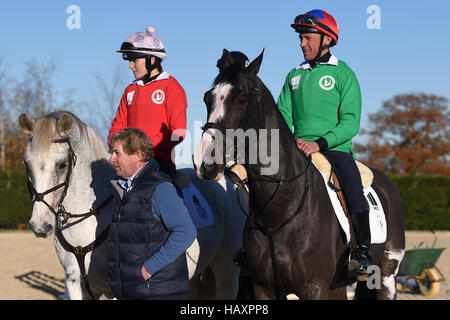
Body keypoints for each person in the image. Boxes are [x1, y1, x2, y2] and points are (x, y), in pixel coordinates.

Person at [277, 9, 371, 276]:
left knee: (353, 188)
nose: (302, 43)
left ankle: (362, 251)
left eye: (307, 37)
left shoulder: (344, 74)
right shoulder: (293, 75)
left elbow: (350, 122)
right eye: (300, 38)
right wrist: (290, 139)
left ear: (327, 39)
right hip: (295, 149)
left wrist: (319, 143)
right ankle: (251, 248)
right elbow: (283, 111)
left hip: (335, 151)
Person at [106, 128, 197, 300]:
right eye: (112, 153)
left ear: (138, 156)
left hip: (157, 292)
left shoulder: (160, 188)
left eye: (117, 153)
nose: (111, 159)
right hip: (133, 290)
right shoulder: (122, 188)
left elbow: (186, 232)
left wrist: (147, 270)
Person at [108, 26, 187, 177]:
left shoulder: (171, 87)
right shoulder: (130, 90)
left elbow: (178, 132)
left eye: (134, 60)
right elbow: (117, 126)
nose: (130, 66)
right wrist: (116, 147)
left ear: (152, 59)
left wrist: (142, 149)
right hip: (127, 161)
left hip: (159, 161)